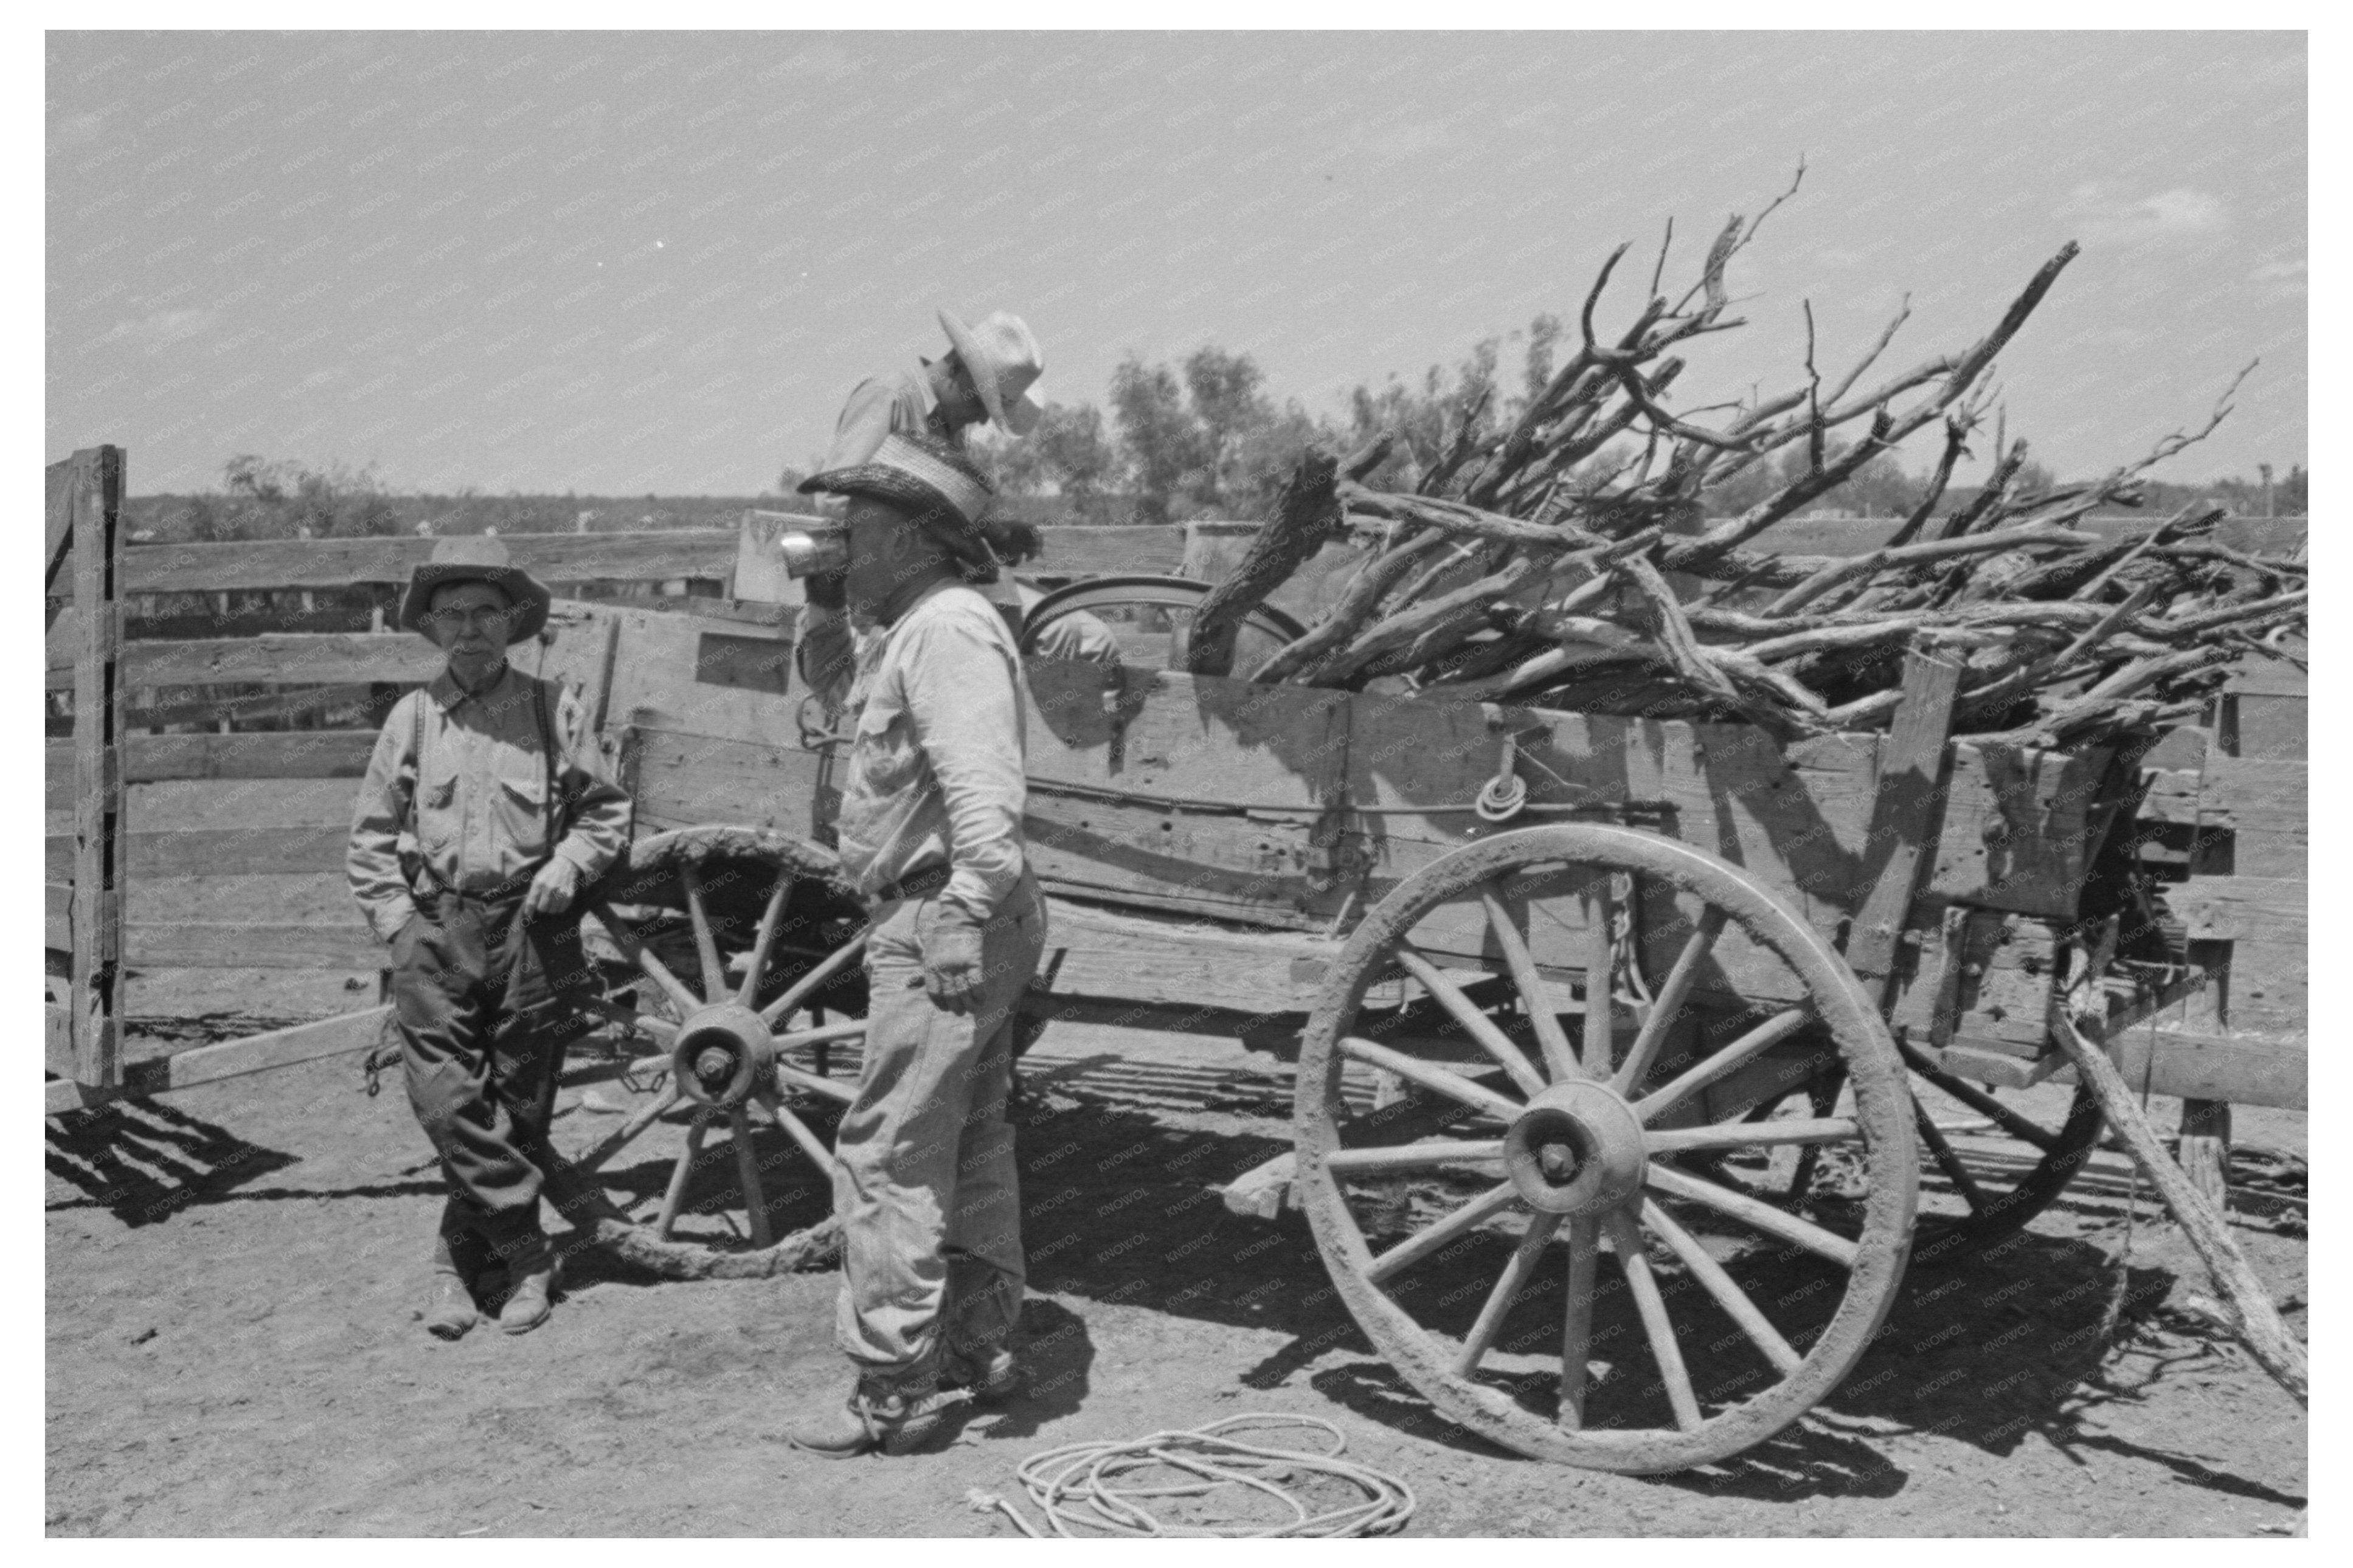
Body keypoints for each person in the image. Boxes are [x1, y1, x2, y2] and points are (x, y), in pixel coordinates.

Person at [780, 433, 1050, 1459]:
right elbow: (836, 694)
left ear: (909, 540)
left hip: (946, 908)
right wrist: (817, 601)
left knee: (887, 1151)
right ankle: (978, 1349)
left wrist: (960, 910)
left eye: (854, 537)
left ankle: (892, 1387)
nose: (843, 553)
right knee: (968, 1139)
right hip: (953, 907)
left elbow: (986, 802)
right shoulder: (914, 628)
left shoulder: (946, 632)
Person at [347, 536, 632, 1340]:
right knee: (446, 1101)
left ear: (512, 622)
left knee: (518, 1105)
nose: (469, 629)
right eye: (453, 615)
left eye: (484, 613)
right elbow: (369, 837)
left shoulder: (551, 708)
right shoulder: (411, 717)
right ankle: (529, 1253)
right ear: (433, 628)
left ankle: (456, 1270)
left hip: (530, 928)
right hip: (437, 925)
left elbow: (605, 810)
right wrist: (400, 924)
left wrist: (569, 865)